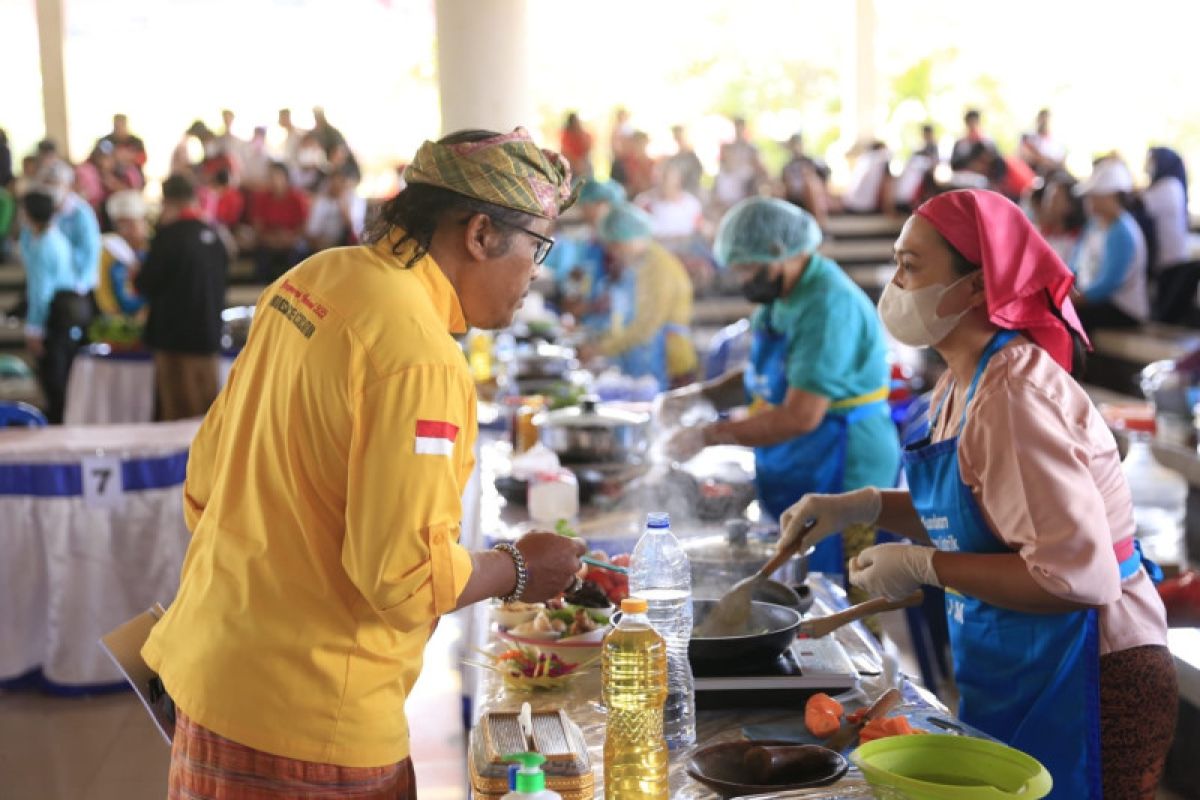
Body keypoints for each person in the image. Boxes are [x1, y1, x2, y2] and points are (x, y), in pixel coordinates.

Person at [141, 127, 586, 798]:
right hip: (309, 724)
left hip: (211, 679)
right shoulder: (419, 356)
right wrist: (517, 568)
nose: (534, 275)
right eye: (536, 247)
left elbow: (204, 478)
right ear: (479, 234)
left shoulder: (313, 278)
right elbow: (402, 577)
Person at [784, 188, 1173, 798]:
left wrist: (922, 565)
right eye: (896, 262)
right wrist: (862, 506)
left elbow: (1078, 575)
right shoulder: (960, 382)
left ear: (974, 286)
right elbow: (975, 514)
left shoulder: (1011, 398)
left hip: (1093, 671)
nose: (895, 283)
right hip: (1022, 658)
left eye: (912, 266)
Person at [661, 197, 900, 581]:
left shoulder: (827, 305)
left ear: (782, 252)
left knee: (844, 590)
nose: (743, 279)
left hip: (845, 466)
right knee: (794, 581)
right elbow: (761, 375)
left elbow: (801, 415)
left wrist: (709, 435)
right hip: (798, 459)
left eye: (750, 267)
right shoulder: (782, 296)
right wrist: (699, 396)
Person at [134, 174, 228, 420]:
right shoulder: (214, 235)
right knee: (210, 414)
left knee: (179, 414)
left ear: (168, 203)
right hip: (209, 335)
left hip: (175, 342)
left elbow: (147, 282)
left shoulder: (169, 237)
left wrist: (136, 274)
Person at [579, 202, 698, 389]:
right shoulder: (639, 264)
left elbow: (647, 326)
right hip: (641, 361)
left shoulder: (660, 267)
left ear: (632, 237)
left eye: (617, 245)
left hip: (668, 362)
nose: (615, 253)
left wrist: (602, 349)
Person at [19, 191, 92, 424]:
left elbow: (40, 292)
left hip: (55, 316)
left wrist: (34, 329)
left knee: (55, 382)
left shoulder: (44, 245)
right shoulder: (56, 238)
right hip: (66, 314)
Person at [1069, 159, 1149, 331]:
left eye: (1094, 196)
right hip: (1094, 299)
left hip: (1122, 307)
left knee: (1070, 317)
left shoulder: (1123, 231)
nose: (1089, 201)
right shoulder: (1094, 225)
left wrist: (1077, 298)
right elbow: (1077, 262)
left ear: (1111, 196)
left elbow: (1110, 282)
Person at [548, 179, 623, 330]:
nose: (584, 211)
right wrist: (571, 294)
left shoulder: (618, 244)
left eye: (588, 206)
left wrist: (591, 307)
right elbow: (579, 271)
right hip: (589, 324)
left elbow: (621, 290)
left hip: (613, 325)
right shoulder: (590, 243)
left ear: (604, 204)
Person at [1141, 147, 1196, 322]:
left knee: (1166, 312)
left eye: (1152, 161)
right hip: (1167, 259)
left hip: (1172, 260)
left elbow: (1141, 203)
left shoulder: (1168, 186)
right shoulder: (1168, 186)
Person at [37, 160, 102, 298]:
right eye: (47, 183)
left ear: (68, 185)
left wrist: (81, 283)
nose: (51, 188)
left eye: (55, 183)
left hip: (76, 284)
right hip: (49, 282)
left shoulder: (81, 213)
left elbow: (90, 250)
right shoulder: (42, 213)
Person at [248, 162, 311, 281]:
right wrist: (271, 239)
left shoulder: (297, 198)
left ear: (286, 178)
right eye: (270, 177)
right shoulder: (261, 198)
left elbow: (303, 226)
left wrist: (289, 239)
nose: (274, 180)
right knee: (262, 257)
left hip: (292, 241)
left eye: (277, 176)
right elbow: (258, 227)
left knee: (298, 254)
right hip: (268, 240)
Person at [94, 190, 148, 321]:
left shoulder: (152, 248)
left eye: (133, 223)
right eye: (122, 224)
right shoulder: (108, 249)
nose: (128, 229)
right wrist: (114, 314)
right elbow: (102, 290)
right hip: (117, 317)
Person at [306, 168, 367, 251]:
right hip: (322, 246)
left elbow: (353, 228)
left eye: (341, 181)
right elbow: (312, 232)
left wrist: (342, 201)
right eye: (333, 181)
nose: (336, 185)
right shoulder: (321, 201)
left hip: (347, 246)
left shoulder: (355, 199)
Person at [713, 116, 766, 211]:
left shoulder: (751, 149)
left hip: (747, 189)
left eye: (740, 127)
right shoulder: (730, 147)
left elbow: (759, 169)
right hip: (730, 190)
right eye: (736, 127)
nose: (738, 130)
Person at [1034, 171, 1087, 263]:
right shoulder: (1039, 234)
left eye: (1054, 199)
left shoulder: (1080, 240)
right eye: (1047, 199)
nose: (1048, 205)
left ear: (1071, 206)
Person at [781, 133, 829, 229]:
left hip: (811, 196)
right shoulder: (787, 166)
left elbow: (824, 177)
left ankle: (820, 227)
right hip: (793, 196)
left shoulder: (812, 162)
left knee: (809, 185)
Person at [841, 140, 894, 214]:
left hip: (849, 205)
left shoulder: (863, 160)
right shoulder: (882, 159)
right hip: (865, 208)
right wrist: (890, 211)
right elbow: (887, 189)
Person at [97, 113, 148, 180]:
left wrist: (130, 157)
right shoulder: (105, 140)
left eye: (121, 125)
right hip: (109, 178)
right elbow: (96, 158)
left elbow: (143, 159)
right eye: (117, 125)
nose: (119, 128)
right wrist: (113, 159)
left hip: (133, 180)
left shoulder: (136, 142)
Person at [1018, 109, 1065, 176]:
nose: (1044, 122)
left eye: (1047, 120)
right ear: (1038, 119)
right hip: (1024, 171)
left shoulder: (1054, 144)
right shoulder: (1027, 136)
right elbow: (1025, 155)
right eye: (1042, 119)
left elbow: (1057, 162)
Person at [666, 124, 704, 197]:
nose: (678, 139)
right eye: (676, 136)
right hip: (676, 194)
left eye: (679, 136)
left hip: (691, 192)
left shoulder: (692, 157)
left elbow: (697, 175)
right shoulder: (674, 158)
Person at [559, 111, 594, 180]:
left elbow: (588, 148)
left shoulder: (584, 134)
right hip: (571, 164)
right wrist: (576, 164)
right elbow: (565, 152)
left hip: (583, 162)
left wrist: (581, 163)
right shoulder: (566, 134)